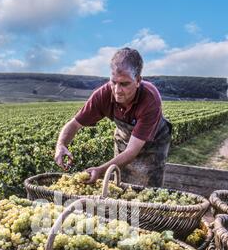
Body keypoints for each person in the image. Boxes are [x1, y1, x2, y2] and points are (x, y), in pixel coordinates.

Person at [54, 47, 172, 187]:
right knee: (119, 181)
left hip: (154, 143)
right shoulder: (103, 95)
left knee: (147, 187)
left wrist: (101, 170)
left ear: (138, 80)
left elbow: (132, 151)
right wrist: (61, 145)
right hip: (124, 140)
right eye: (113, 82)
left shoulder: (150, 98)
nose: (117, 90)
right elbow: (74, 124)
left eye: (124, 84)